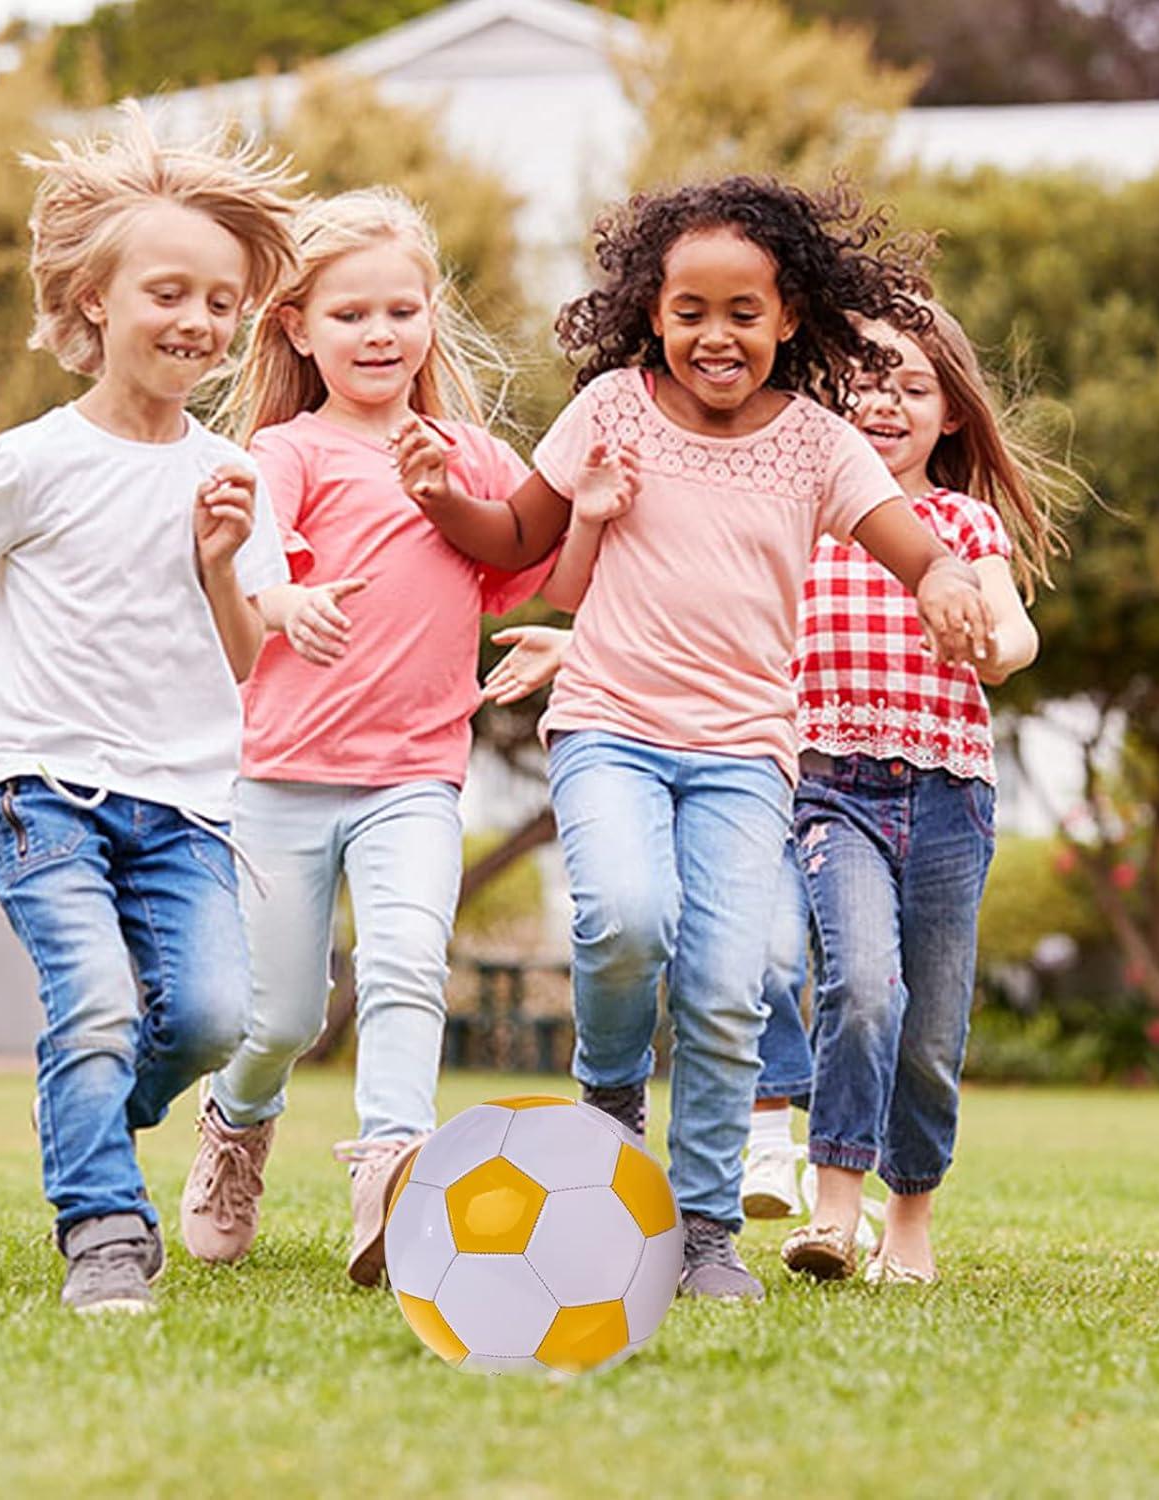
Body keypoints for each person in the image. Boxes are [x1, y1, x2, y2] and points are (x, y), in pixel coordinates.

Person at [445, 176, 995, 1302]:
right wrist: (434, 495)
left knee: (729, 978)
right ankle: (607, 1098)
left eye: (744, 312)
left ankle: (701, 1230)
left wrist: (943, 580)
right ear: (652, 311)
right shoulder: (607, 409)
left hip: (746, 752)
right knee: (628, 920)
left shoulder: (818, 444)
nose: (716, 336)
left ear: (790, 316)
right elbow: (519, 538)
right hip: (610, 723)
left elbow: (910, 542)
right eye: (690, 310)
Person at [179, 188, 631, 1286]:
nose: (379, 334)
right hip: (279, 778)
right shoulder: (287, 451)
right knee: (281, 1013)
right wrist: (282, 600)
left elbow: (533, 579)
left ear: (431, 315)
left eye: (401, 310)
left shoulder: (471, 458)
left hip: (415, 779)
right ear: (297, 327)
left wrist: (599, 521)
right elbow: (251, 551)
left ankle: (391, 1167)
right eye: (350, 316)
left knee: (404, 965)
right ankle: (237, 1126)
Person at [0, 105, 298, 1312]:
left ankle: (88, 1105)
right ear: (96, 304)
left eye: (221, 303)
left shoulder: (230, 474)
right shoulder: (33, 461)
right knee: (98, 1001)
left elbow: (244, 660)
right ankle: (105, 1229)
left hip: (184, 802)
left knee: (212, 1016)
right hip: (38, 788)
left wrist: (221, 562)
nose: (198, 322)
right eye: (170, 292)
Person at [766, 303, 1066, 1285]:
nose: (885, 402)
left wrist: (993, 643)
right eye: (865, 379)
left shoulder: (962, 523)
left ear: (949, 415)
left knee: (931, 1034)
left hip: (947, 797)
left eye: (912, 386)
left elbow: (1014, 633)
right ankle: (833, 1209)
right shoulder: (798, 510)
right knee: (860, 988)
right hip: (831, 788)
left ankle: (909, 1223)